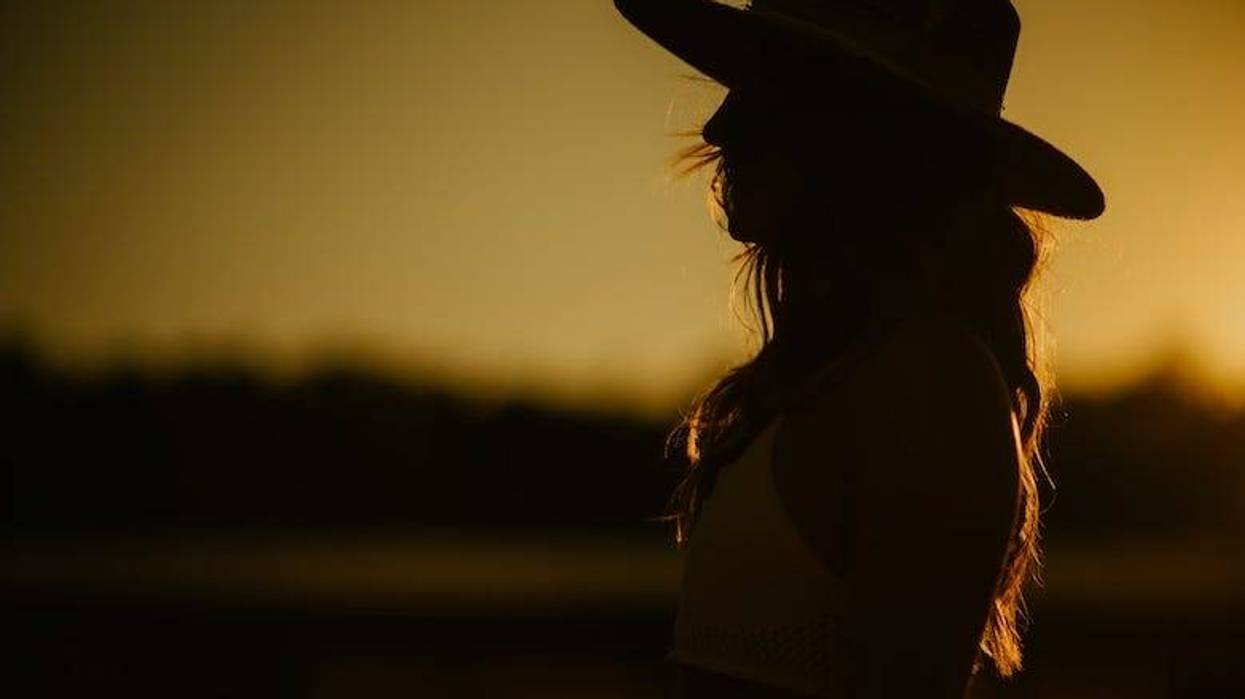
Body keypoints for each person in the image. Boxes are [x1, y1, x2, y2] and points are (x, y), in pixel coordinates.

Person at [612, 1, 1105, 697]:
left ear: (861, 134)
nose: (720, 125)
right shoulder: (838, 376)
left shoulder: (926, 384)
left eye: (767, 87)